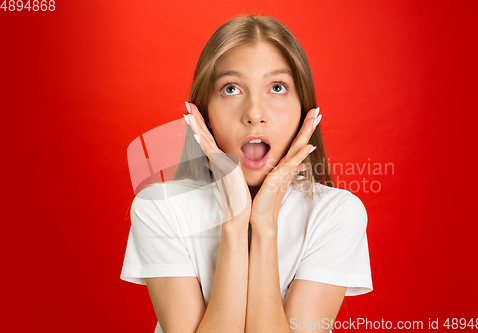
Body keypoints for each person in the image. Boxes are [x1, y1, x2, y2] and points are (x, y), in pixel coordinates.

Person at [120, 14, 373, 333]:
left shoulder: (337, 214)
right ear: (204, 111)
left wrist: (264, 225)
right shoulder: (160, 207)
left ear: (304, 109)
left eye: (277, 87)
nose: (254, 113)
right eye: (230, 88)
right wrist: (235, 225)